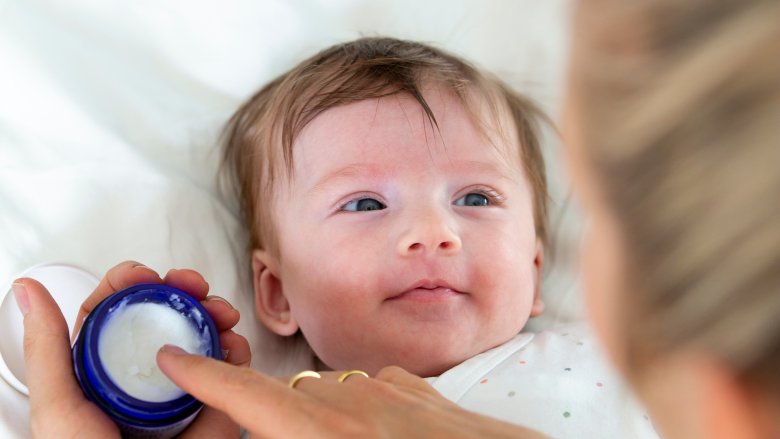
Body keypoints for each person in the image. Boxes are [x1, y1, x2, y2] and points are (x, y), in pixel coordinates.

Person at [12, 37, 656, 438]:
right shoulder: (265, 421)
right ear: (277, 293)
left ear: (537, 270)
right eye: (366, 202)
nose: (434, 233)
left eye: (476, 198)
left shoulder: (627, 360)